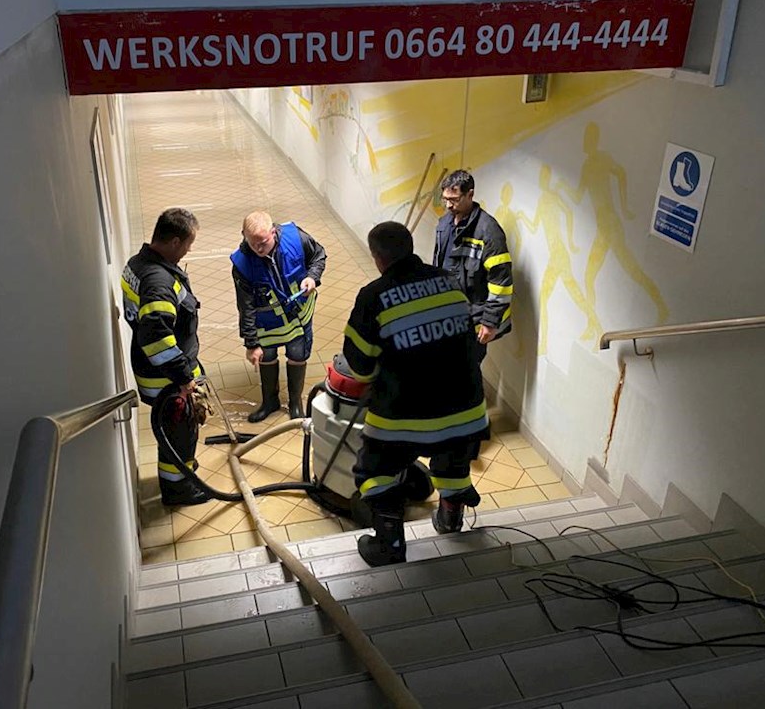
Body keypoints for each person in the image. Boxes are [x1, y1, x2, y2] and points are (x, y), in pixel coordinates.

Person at [342, 222, 489, 567]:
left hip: (404, 416)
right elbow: (471, 346)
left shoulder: (374, 295)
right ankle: (451, 517)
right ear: (411, 248)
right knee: (452, 460)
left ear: (377, 257)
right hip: (468, 413)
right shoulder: (450, 282)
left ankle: (390, 544)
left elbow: (360, 366)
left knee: (374, 472)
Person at [121, 207, 208, 507]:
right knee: (179, 434)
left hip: (154, 370)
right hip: (166, 380)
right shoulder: (158, 282)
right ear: (174, 241)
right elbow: (157, 339)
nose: (188, 250)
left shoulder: (137, 264)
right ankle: (178, 490)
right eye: (188, 244)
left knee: (172, 431)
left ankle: (182, 474)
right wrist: (184, 377)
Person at [231, 211, 327, 421]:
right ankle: (270, 401)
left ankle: (295, 402)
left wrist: (312, 277)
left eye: (263, 242)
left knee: (297, 355)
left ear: (273, 232)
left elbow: (318, 256)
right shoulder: (241, 264)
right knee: (267, 356)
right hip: (267, 324)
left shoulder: (297, 239)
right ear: (244, 236)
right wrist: (251, 343)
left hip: (299, 317)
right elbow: (245, 306)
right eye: (253, 243)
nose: (258, 249)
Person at [433, 169, 514, 363]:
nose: (448, 205)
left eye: (454, 199)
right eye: (445, 199)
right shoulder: (444, 223)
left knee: (467, 368)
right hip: (446, 312)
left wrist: (490, 322)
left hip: (473, 318)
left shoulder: (489, 232)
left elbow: (501, 283)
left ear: (470, 194)